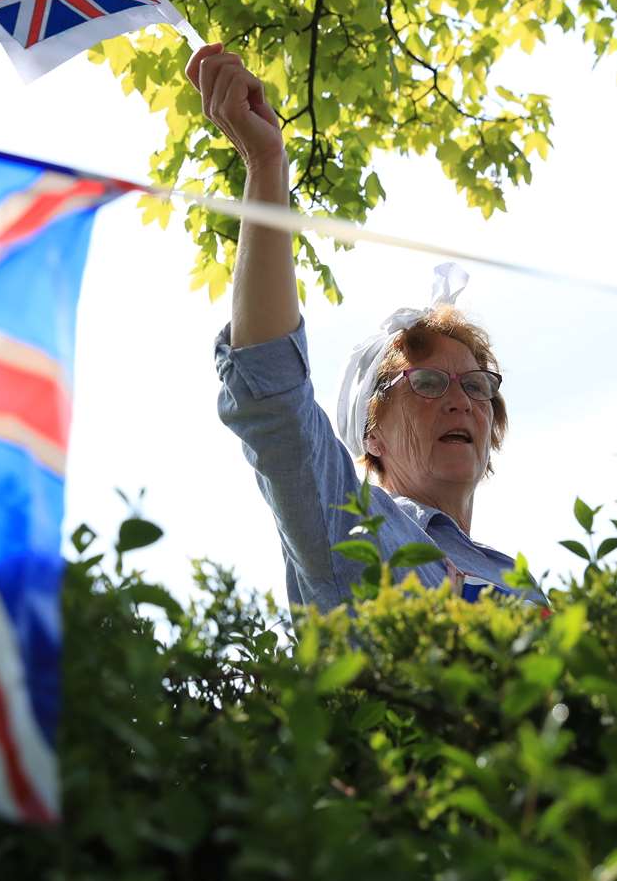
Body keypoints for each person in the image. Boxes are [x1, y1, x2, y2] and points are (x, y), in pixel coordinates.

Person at [188, 43, 544, 612]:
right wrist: (266, 166)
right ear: (371, 435)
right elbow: (273, 393)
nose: (461, 403)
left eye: (476, 386)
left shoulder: (524, 584)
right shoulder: (349, 526)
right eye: (427, 384)